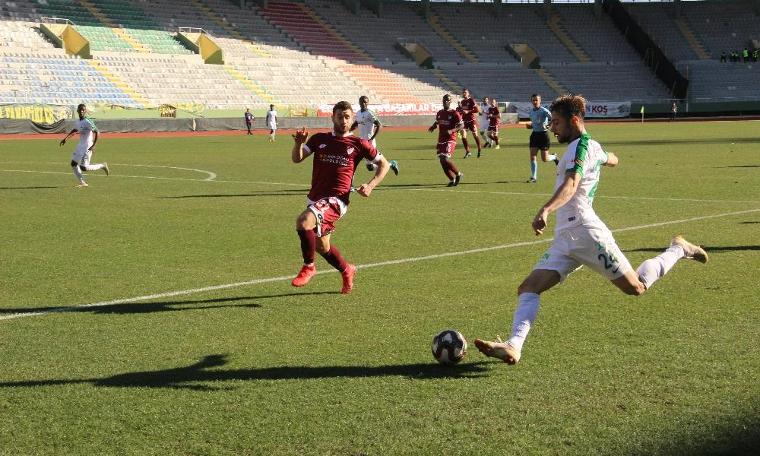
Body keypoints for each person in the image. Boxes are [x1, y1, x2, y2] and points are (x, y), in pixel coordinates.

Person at [473, 94, 708, 365]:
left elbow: (572, 184)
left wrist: (546, 209)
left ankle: (678, 248)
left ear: (574, 120)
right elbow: (612, 159)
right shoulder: (590, 146)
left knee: (636, 287)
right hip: (566, 238)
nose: (554, 128)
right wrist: (609, 159)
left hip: (586, 233)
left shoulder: (579, 147)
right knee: (528, 287)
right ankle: (514, 345)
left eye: (558, 122)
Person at [290, 100, 390, 294]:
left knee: (303, 222)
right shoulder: (319, 139)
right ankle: (347, 270)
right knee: (322, 246)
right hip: (316, 199)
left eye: (347, 117)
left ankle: (309, 267)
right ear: (332, 117)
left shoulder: (359, 144)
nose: (343, 120)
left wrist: (370, 185)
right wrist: (298, 144)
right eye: (339, 116)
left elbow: (384, 164)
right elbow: (297, 158)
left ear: (352, 119)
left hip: (337, 200)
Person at [59, 103, 109, 188]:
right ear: (78, 110)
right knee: (73, 163)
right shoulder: (78, 122)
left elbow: (97, 132)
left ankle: (102, 165)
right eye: (80, 109)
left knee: (83, 168)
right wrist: (66, 139)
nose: (82, 111)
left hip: (87, 146)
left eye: (83, 110)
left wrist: (94, 145)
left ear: (85, 111)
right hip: (80, 145)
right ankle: (83, 183)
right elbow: (75, 130)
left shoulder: (88, 121)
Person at [350, 95, 399, 176]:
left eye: (365, 102)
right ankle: (391, 164)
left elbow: (379, 125)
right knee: (369, 167)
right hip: (361, 141)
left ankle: (350, 185)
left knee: (354, 160)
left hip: (369, 142)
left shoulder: (369, 113)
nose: (363, 103)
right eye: (362, 102)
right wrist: (347, 130)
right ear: (359, 102)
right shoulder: (358, 113)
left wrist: (372, 138)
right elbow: (356, 123)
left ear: (368, 103)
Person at [429, 94, 464, 187]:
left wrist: (452, 130)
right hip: (441, 139)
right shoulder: (440, 112)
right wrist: (433, 126)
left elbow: (461, 125)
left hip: (450, 139)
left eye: (448, 100)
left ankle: (458, 174)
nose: (446, 102)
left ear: (450, 102)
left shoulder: (454, 113)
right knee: (442, 161)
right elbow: (437, 121)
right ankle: (452, 180)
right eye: (444, 100)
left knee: (445, 158)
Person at [525, 93, 558, 183]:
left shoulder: (544, 111)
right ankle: (533, 177)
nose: (535, 102)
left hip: (543, 136)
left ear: (540, 101)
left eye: (536, 100)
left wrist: (549, 125)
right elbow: (535, 123)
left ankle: (554, 157)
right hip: (534, 135)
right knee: (532, 156)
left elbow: (553, 119)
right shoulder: (531, 112)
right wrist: (531, 126)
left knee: (545, 159)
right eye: (533, 100)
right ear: (531, 101)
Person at [458, 89, 482, 158]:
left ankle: (479, 149)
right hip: (465, 121)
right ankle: (468, 151)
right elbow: (461, 112)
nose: (464, 93)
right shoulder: (462, 102)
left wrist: (468, 111)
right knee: (463, 135)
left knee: (475, 135)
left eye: (465, 92)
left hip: (472, 121)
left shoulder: (471, 100)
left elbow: (477, 110)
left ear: (468, 93)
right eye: (463, 92)